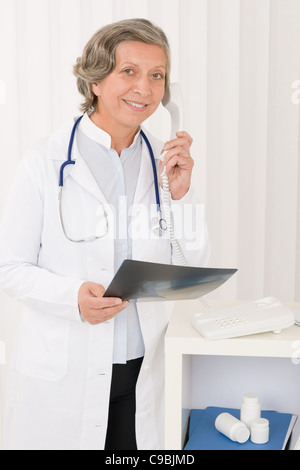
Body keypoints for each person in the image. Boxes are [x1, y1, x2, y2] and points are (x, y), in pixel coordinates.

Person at [0, 18, 210, 450]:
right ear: (95, 80)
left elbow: (192, 268)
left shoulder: (164, 164)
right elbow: (10, 267)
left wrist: (182, 195)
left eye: (157, 76)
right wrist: (72, 296)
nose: (145, 89)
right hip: (66, 373)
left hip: (144, 371)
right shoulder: (44, 162)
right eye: (128, 72)